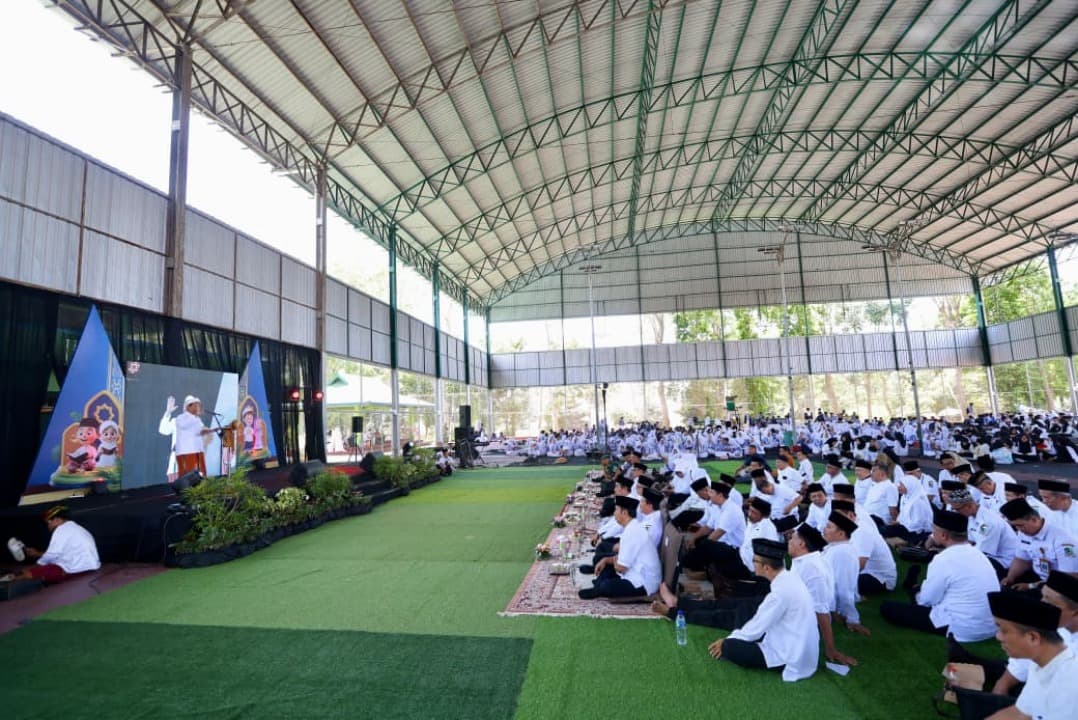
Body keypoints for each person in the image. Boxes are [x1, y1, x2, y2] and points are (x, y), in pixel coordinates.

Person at [708, 538, 820, 682]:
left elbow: (757, 627)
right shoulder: (789, 577)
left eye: (755, 561)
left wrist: (727, 640)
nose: (752, 563)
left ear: (766, 568)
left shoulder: (780, 593)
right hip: (794, 643)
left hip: (788, 654)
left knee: (730, 647)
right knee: (745, 611)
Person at [879, 508, 999, 641]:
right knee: (926, 592)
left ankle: (912, 587)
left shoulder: (943, 559)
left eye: (934, 530)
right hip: (990, 627)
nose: (932, 533)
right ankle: (913, 586)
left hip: (962, 628)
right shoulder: (979, 554)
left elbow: (927, 600)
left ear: (943, 536)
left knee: (888, 607)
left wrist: (920, 595)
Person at [984, 591, 1078, 720]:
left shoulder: (1071, 686)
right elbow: (1020, 712)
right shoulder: (1040, 663)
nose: (998, 636)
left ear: (1033, 638)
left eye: (1003, 630)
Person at [788, 523, 858, 666]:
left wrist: (831, 649)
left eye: (792, 538)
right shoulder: (806, 559)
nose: (789, 541)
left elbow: (821, 610)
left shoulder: (811, 568)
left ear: (801, 544)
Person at [578, 496, 661, 600]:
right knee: (605, 564)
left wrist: (613, 561)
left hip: (644, 582)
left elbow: (620, 568)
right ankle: (598, 586)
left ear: (624, 513)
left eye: (616, 510)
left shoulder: (632, 532)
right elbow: (621, 560)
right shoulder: (634, 526)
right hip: (635, 571)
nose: (614, 513)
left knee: (607, 586)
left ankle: (599, 588)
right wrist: (606, 560)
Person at [2, 506, 100, 583]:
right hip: (91, 566)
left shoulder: (61, 529)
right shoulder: (78, 529)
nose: (48, 526)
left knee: (29, 573)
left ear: (57, 520)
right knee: (40, 567)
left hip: (78, 570)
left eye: (49, 522)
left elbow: (52, 555)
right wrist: (37, 554)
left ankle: (7, 582)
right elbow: (60, 554)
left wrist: (36, 566)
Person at [999, 498, 1078, 591]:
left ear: (1034, 519)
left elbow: (1068, 577)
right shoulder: (1024, 533)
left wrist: (1031, 586)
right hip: (1038, 577)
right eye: (1015, 526)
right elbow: (1021, 559)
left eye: (1020, 525)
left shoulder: (1064, 541)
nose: (1018, 530)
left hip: (1060, 585)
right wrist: (1010, 578)